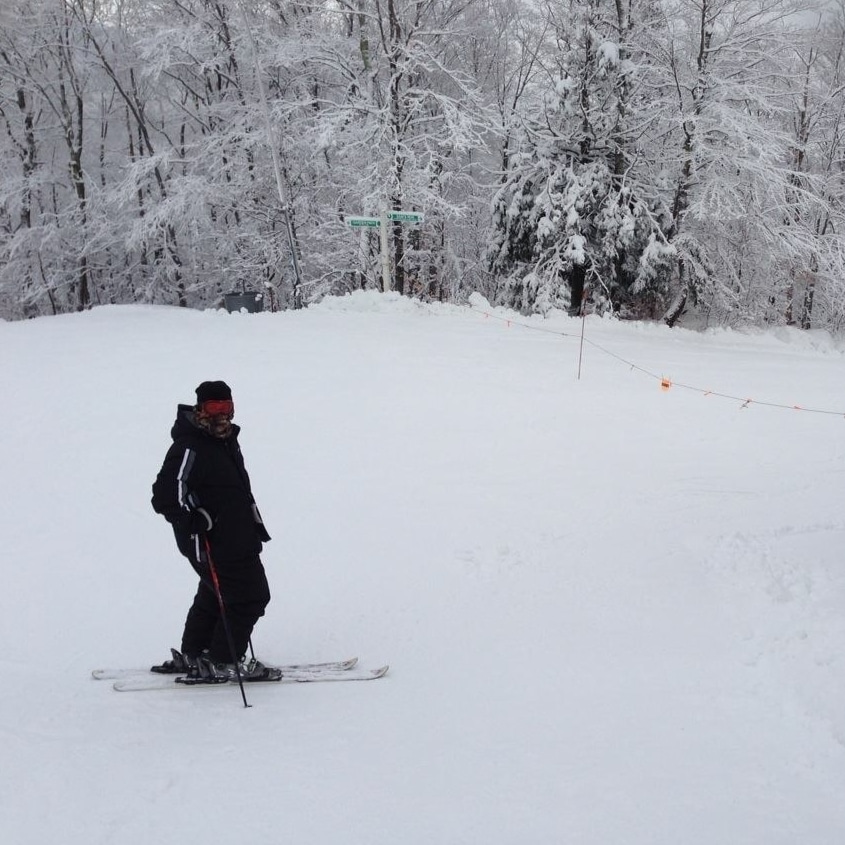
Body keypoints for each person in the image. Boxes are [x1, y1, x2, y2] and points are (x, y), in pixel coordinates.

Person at [150, 380, 275, 682]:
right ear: (200, 410)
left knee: (214, 593)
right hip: (212, 540)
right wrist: (195, 520)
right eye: (213, 407)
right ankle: (223, 660)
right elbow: (165, 495)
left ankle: (196, 653)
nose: (220, 414)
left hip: (238, 534)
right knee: (250, 596)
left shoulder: (226, 441)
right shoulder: (190, 445)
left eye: (226, 406)